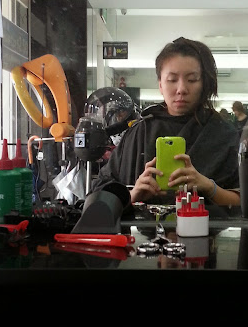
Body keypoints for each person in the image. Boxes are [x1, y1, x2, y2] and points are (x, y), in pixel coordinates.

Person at [91, 37, 240, 207]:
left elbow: (245, 202)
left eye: (192, 80)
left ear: (204, 84)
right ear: (160, 84)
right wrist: (132, 195)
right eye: (172, 80)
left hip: (206, 224)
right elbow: (100, 194)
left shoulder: (223, 135)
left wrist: (209, 187)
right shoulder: (139, 132)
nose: (181, 89)